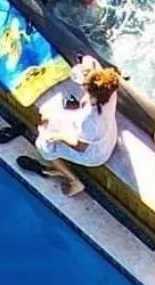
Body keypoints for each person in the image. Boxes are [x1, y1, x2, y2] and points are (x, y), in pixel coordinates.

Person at [36, 59, 121, 194]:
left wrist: (55, 136)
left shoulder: (91, 121)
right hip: (105, 134)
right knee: (47, 116)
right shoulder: (108, 89)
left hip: (94, 153)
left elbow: (79, 146)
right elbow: (90, 60)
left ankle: (74, 181)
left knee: (43, 144)